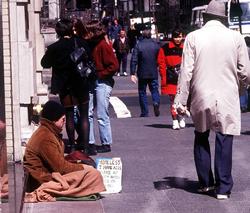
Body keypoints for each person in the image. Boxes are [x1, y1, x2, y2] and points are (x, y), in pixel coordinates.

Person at [174, 0, 250, 200]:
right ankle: (223, 187)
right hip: (227, 94)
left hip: (201, 93)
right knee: (224, 138)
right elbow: (246, 72)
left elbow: (186, 72)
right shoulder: (236, 37)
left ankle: (205, 183)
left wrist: (180, 100)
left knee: (201, 136)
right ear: (224, 18)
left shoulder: (193, 37)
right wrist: (240, 89)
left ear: (205, 17)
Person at [23, 100, 105, 194]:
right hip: (43, 180)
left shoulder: (48, 132)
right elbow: (61, 168)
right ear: (54, 120)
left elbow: (58, 163)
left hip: (48, 175)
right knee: (93, 174)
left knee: (87, 170)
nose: (64, 122)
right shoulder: (45, 137)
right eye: (63, 119)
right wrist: (83, 167)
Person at [41, 18, 90, 153]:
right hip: (81, 83)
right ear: (71, 29)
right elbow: (90, 59)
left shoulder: (54, 48)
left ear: (58, 32)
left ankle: (72, 146)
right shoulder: (81, 43)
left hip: (65, 85)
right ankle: (85, 147)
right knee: (84, 115)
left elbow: (44, 63)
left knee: (68, 115)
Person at [85, 20, 119, 153]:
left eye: (89, 31)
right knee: (89, 113)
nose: (86, 34)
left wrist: (101, 74)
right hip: (95, 80)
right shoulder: (95, 44)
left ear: (94, 32)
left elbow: (114, 65)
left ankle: (105, 142)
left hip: (102, 82)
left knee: (101, 113)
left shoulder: (102, 45)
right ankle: (91, 142)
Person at [158, 29, 184, 130]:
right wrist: (164, 78)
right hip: (171, 77)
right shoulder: (164, 48)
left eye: (179, 37)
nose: (178, 39)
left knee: (183, 100)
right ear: (172, 37)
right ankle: (174, 120)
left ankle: (181, 116)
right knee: (173, 100)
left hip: (183, 78)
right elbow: (161, 64)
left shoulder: (186, 47)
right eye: (176, 37)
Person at [130, 28, 161, 117]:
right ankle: (155, 102)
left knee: (142, 92)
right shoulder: (156, 45)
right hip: (153, 71)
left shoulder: (138, 45)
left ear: (142, 35)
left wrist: (133, 72)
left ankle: (144, 111)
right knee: (154, 89)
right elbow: (159, 58)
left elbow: (134, 59)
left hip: (142, 72)